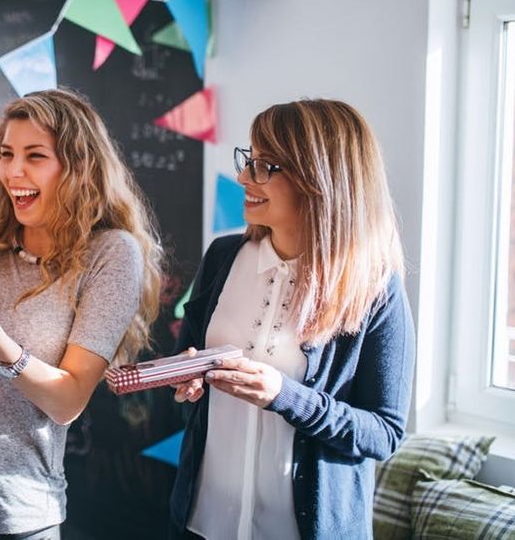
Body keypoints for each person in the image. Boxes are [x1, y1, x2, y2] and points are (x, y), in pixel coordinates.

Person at [0, 89, 163, 538]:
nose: (13, 172)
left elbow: (68, 401)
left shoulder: (112, 253)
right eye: (7, 154)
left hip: (8, 513)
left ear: (78, 168)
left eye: (35, 156)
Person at [168, 99, 415, 539]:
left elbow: (384, 432)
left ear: (319, 180)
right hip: (202, 519)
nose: (244, 177)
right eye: (249, 160)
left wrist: (285, 396)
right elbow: (189, 350)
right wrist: (187, 375)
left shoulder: (376, 289)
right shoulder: (223, 258)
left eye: (264, 165)